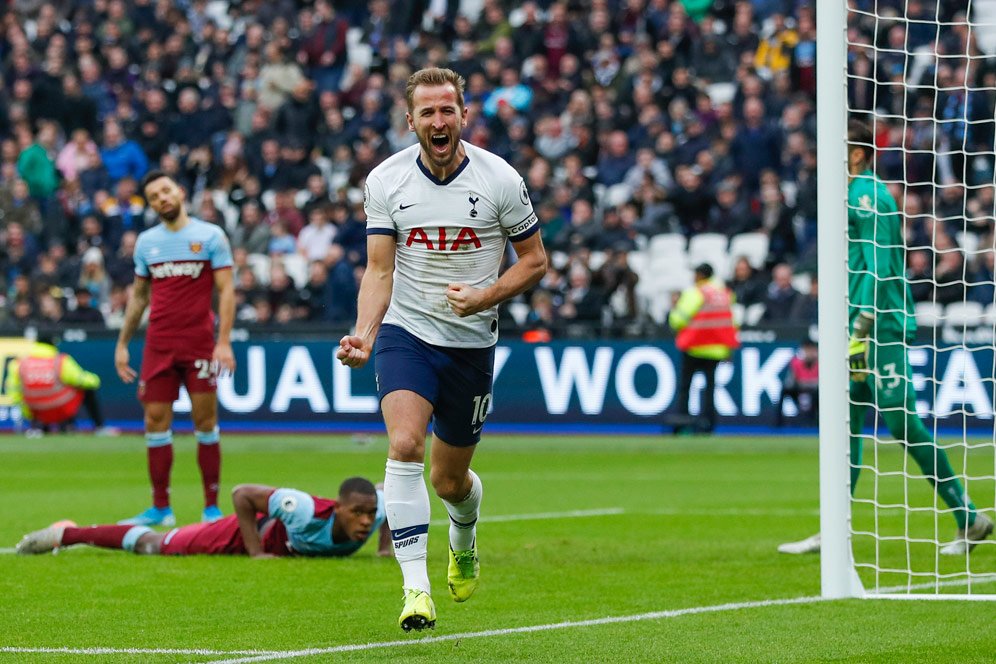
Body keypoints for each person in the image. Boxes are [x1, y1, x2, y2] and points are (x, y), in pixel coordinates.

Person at [336, 67, 547, 632]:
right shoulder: (386, 181)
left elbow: (535, 261)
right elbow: (380, 270)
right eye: (426, 112)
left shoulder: (500, 179)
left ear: (463, 115)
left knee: (449, 481)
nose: (438, 120)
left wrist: (486, 296)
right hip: (407, 333)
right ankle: (415, 590)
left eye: (446, 110)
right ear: (410, 121)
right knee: (404, 444)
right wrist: (366, 333)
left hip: (471, 344)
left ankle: (464, 535)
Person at [778, 120, 993, 555]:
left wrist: (863, 324)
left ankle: (969, 517)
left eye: (836, 148)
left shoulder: (867, 194)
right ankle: (834, 529)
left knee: (901, 424)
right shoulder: (849, 194)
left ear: (857, 154)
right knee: (846, 426)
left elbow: (879, 266)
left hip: (878, 325)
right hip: (852, 323)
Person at [114, 170, 236, 528]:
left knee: (205, 421)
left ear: (180, 192)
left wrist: (224, 341)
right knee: (154, 422)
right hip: (159, 344)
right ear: (150, 204)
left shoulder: (210, 236)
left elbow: (226, 290)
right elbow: (138, 298)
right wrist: (122, 344)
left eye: (166, 191)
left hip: (198, 342)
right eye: (154, 196)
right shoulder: (146, 243)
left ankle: (211, 508)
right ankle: (160, 508)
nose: (162, 199)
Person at [17, 477, 390, 558]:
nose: (364, 522)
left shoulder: (379, 512)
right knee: (155, 546)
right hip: (244, 534)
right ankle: (68, 534)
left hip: (264, 543)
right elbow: (242, 494)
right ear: (338, 507)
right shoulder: (306, 509)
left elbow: (393, 501)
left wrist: (385, 549)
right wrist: (256, 551)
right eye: (357, 513)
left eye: (369, 515)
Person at [666, 263, 740, 435]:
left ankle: (683, 423)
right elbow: (732, 322)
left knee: (686, 387)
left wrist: (673, 312)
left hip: (694, 346)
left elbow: (678, 320)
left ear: (700, 275)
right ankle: (708, 424)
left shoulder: (695, 292)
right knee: (710, 389)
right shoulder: (724, 294)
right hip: (716, 349)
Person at [4, 333, 118, 437]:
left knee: (38, 396)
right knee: (84, 389)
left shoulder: (19, 363)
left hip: (35, 410)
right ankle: (96, 427)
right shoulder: (60, 361)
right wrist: (96, 380)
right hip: (58, 408)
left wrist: (27, 412)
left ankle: (38, 427)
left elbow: (13, 390)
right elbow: (80, 379)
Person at [776, 337, 819, 426]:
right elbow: (791, 381)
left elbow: (820, 382)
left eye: (811, 349)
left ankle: (815, 420)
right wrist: (803, 383)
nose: (809, 352)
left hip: (814, 390)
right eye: (806, 349)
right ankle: (778, 422)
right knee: (785, 391)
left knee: (817, 394)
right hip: (800, 388)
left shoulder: (820, 362)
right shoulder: (796, 362)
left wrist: (808, 383)